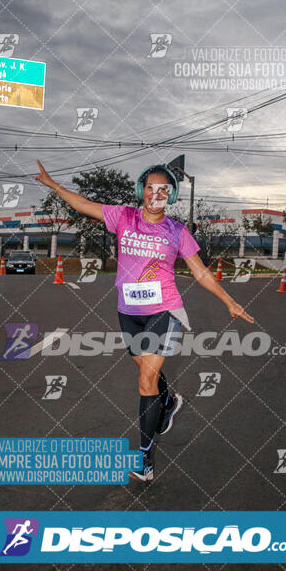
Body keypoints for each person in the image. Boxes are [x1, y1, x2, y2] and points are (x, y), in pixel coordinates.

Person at [35, 160, 254, 481]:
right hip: (129, 312)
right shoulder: (123, 217)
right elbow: (82, 204)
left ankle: (145, 462)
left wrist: (229, 301)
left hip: (165, 311)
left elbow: (200, 271)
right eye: (150, 187)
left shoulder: (177, 231)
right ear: (142, 191)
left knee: (145, 382)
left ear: (170, 195)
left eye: (163, 189)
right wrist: (53, 185)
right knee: (145, 372)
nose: (156, 193)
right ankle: (169, 400)